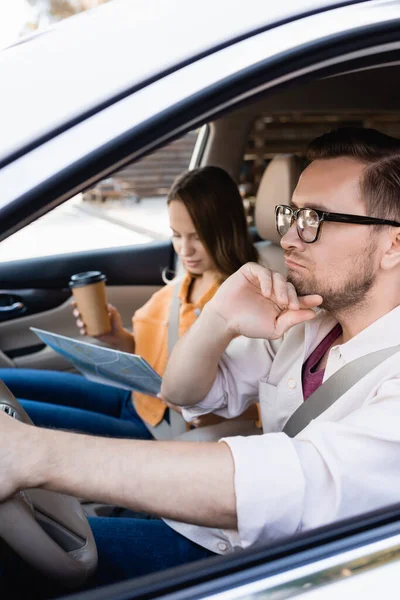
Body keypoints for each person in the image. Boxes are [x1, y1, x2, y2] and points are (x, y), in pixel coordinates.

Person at [1, 127, 400, 596]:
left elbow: (288, 482)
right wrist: (219, 317)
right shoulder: (306, 322)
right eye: (292, 213)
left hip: (271, 567)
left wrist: (35, 454)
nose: (289, 237)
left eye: (313, 217)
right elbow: (181, 392)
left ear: (392, 245)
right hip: (211, 532)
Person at [0, 166, 258, 439]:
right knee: (6, 381)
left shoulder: (242, 303)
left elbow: (261, 401)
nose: (184, 249)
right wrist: (117, 338)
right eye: (176, 235)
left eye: (197, 236)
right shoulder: (187, 280)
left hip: (161, 430)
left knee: (10, 419)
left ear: (225, 230)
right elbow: (158, 358)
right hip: (135, 398)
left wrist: (205, 413)